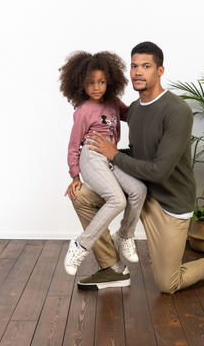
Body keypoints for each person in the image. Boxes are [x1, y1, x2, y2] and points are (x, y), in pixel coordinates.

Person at [70, 41, 204, 292]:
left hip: (169, 203)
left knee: (168, 283)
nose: (138, 72)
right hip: (141, 190)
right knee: (82, 196)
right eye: (134, 66)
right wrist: (93, 161)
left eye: (146, 66)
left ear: (160, 70)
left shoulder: (177, 111)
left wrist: (113, 155)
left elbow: (159, 171)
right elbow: (137, 155)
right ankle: (113, 268)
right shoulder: (135, 110)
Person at [59, 50, 147, 277]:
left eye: (101, 82)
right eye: (90, 83)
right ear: (81, 84)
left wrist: (150, 99)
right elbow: (73, 146)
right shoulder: (83, 111)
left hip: (111, 155)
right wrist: (75, 176)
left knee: (139, 190)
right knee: (117, 199)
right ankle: (80, 245)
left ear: (110, 82)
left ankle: (125, 234)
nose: (96, 87)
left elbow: (132, 114)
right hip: (91, 155)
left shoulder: (113, 102)